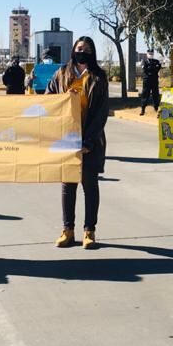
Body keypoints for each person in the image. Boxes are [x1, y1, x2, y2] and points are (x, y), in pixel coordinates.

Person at [48, 37, 109, 250]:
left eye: (87, 49)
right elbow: (48, 101)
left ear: (92, 53)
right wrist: (64, 97)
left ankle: (89, 231)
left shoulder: (98, 77)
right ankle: (68, 230)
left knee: (90, 186)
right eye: (79, 48)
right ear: (73, 50)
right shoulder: (62, 74)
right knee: (68, 186)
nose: (83, 52)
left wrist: (89, 141)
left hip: (89, 141)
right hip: (66, 140)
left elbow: (101, 112)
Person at [139, 48, 162, 115]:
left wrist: (152, 69)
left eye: (152, 54)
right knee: (145, 94)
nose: (150, 55)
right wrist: (152, 69)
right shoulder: (144, 61)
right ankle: (143, 109)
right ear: (147, 54)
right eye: (149, 54)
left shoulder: (156, 61)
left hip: (154, 80)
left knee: (156, 95)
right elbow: (145, 70)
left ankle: (156, 108)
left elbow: (157, 69)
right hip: (147, 81)